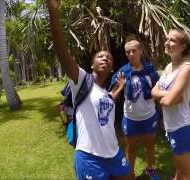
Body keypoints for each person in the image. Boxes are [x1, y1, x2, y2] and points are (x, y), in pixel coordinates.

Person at [46, 0, 134, 179]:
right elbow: (62, 52)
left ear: (111, 68)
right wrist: (53, 11)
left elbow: (110, 99)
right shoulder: (81, 81)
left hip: (114, 152)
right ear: (92, 65)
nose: (105, 59)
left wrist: (121, 86)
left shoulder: (104, 92)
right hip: (89, 157)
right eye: (100, 57)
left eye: (108, 58)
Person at [109, 37, 160, 179]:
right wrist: (120, 86)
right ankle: (130, 174)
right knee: (131, 147)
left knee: (150, 144)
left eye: (134, 51)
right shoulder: (122, 73)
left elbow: (158, 89)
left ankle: (150, 169)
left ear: (141, 51)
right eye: (128, 52)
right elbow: (111, 94)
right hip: (130, 118)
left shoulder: (150, 70)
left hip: (149, 116)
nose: (131, 54)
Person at [152, 29, 190, 180]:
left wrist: (168, 97)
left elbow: (168, 102)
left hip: (182, 126)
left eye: (172, 40)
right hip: (171, 126)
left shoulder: (186, 68)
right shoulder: (168, 67)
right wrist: (169, 95)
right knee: (178, 171)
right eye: (167, 39)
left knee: (186, 174)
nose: (166, 42)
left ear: (183, 46)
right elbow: (153, 92)